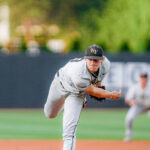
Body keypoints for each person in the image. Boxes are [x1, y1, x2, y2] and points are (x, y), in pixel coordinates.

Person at [44, 45, 121, 150]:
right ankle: (67, 106)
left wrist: (100, 88)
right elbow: (93, 91)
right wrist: (110, 94)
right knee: (50, 114)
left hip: (76, 94)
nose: (93, 62)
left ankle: (73, 107)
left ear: (102, 60)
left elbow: (97, 81)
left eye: (96, 60)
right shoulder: (78, 72)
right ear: (85, 58)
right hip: (60, 85)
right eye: (90, 59)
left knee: (69, 132)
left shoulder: (106, 65)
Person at [124, 72, 150, 142]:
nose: (143, 79)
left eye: (144, 78)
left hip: (149, 107)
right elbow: (127, 99)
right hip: (138, 106)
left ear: (147, 79)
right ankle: (128, 135)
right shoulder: (135, 87)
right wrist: (131, 102)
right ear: (139, 79)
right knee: (129, 118)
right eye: (142, 78)